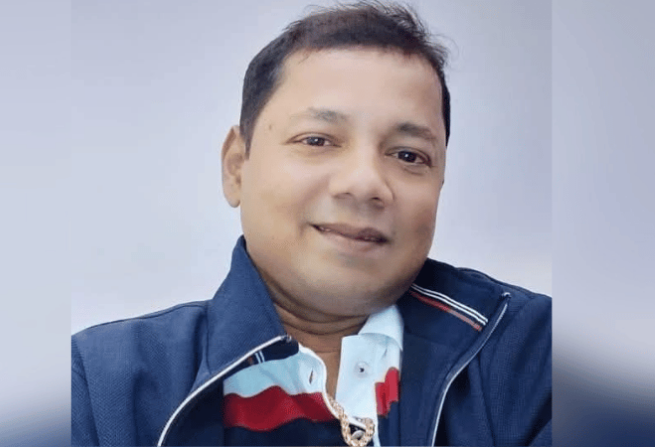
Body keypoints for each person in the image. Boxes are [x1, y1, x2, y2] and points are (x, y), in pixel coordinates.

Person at [71, 2, 551, 446]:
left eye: (408, 155)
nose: (364, 184)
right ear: (236, 167)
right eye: (317, 140)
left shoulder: (532, 353)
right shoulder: (102, 387)